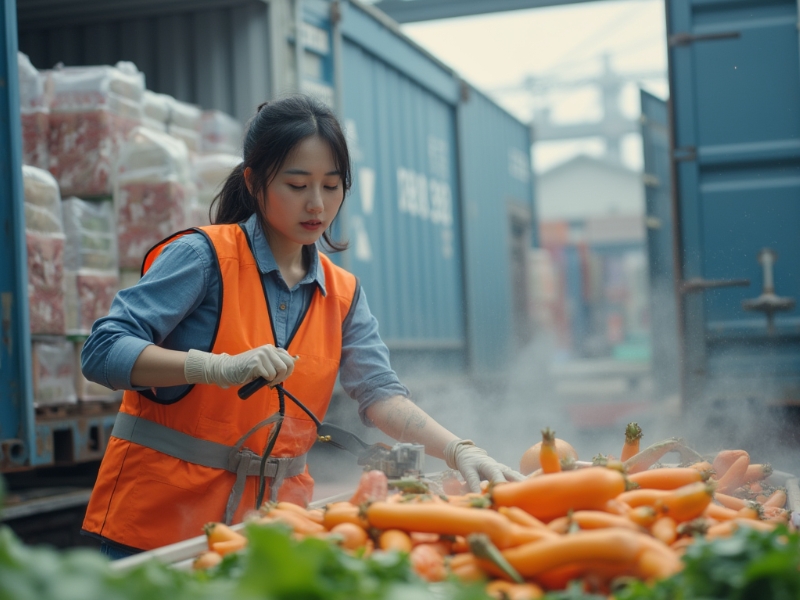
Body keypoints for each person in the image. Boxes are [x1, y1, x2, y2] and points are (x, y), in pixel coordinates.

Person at [81, 95, 523, 559]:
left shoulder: (343, 293)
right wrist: (210, 368)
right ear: (254, 182)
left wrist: (458, 450)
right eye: (297, 184)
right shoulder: (203, 258)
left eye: (332, 186)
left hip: (269, 537)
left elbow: (379, 395)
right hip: (154, 532)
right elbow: (102, 351)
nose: (317, 203)